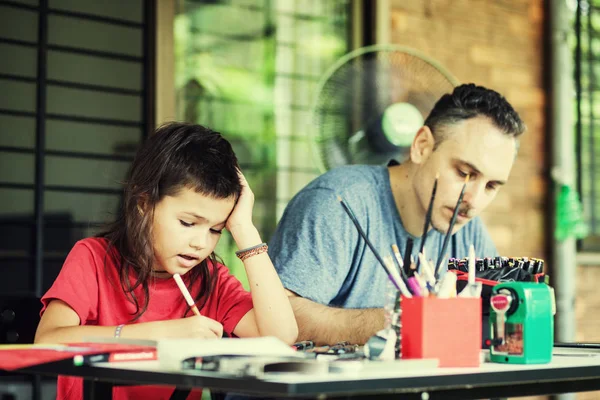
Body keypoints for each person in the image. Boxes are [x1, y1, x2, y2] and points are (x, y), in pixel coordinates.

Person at [34, 122, 298, 400]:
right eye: (188, 222)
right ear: (144, 202)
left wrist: (245, 229)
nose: (200, 243)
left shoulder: (210, 279)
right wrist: (163, 334)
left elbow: (280, 337)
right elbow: (48, 340)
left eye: (215, 230)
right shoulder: (93, 258)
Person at [269, 83, 526, 345]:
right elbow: (274, 318)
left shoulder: (468, 230)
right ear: (422, 146)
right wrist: (400, 320)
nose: (473, 201)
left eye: (491, 186)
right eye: (464, 173)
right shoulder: (336, 202)